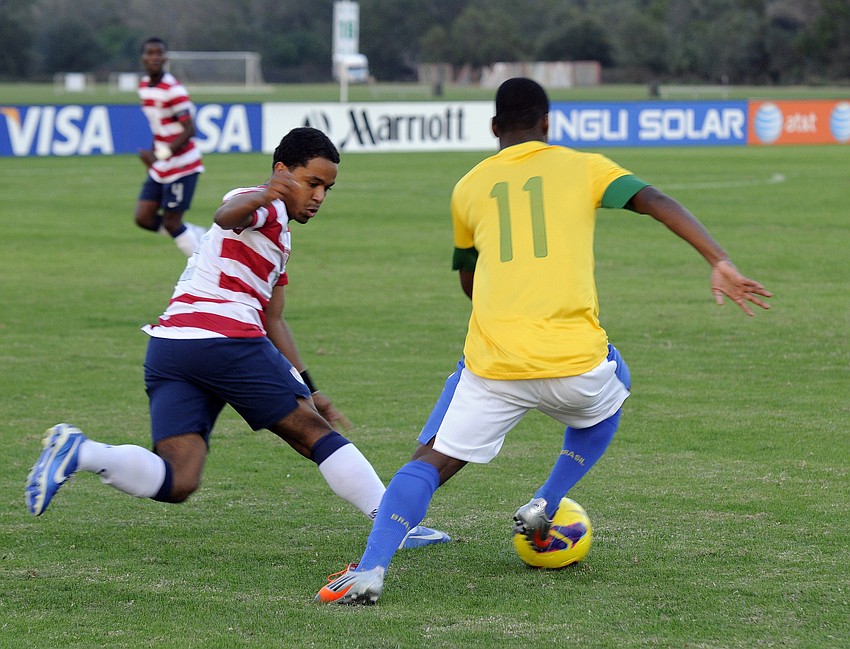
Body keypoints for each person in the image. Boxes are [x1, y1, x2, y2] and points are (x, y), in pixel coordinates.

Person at [315, 78, 772, 605]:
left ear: (493, 128)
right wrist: (719, 260)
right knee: (614, 386)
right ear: (547, 124)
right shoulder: (585, 166)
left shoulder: (467, 187)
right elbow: (654, 200)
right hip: (576, 364)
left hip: (494, 366)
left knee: (428, 463)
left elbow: (468, 276)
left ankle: (372, 569)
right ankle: (546, 500)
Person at [25, 127, 449, 551]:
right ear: (282, 171)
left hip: (172, 347)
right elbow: (227, 214)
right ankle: (396, 524)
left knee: (179, 479)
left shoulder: (278, 235)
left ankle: (81, 452)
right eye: (313, 183)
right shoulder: (267, 206)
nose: (319, 196)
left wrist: (311, 387)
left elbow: (274, 318)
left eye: (328, 188)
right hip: (223, 340)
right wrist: (268, 193)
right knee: (314, 435)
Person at [135, 37, 207, 257]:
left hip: (182, 165)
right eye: (150, 52)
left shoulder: (174, 90)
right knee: (144, 218)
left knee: (172, 222)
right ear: (143, 57)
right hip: (163, 164)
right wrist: (153, 159)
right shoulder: (144, 87)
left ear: (165, 58)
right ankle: (199, 236)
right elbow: (159, 128)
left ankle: (204, 269)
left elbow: (189, 130)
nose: (155, 57)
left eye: (159, 53)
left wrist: (161, 154)